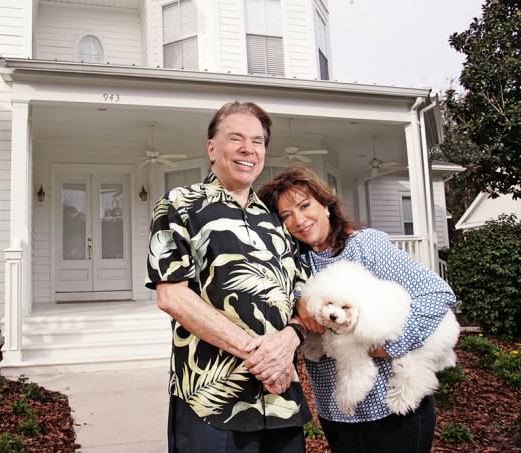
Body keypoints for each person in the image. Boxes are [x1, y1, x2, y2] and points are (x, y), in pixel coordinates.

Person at [146, 102, 312, 453]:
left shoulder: (276, 220)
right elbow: (171, 295)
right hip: (211, 401)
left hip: (280, 399)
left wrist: (288, 341)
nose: (248, 149)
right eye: (235, 138)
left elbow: (304, 297)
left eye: (257, 141)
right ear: (211, 147)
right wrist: (262, 356)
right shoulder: (180, 204)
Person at [257, 164, 457, 453]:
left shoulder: (366, 246)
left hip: (392, 409)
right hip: (337, 412)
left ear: (326, 204)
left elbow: (438, 293)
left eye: (304, 205)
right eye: (286, 215)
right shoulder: (294, 265)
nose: (299, 220)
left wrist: (394, 345)